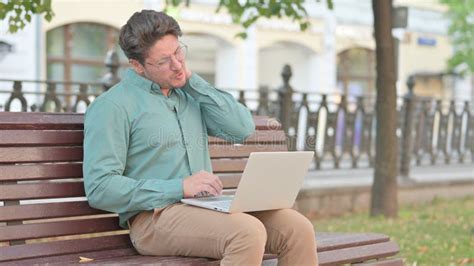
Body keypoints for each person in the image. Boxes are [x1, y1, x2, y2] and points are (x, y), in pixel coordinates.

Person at [83, 10, 318, 266]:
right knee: (247, 232)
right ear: (137, 65)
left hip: (208, 207)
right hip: (154, 219)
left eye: (178, 52)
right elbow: (100, 187)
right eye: (164, 61)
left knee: (297, 228)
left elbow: (241, 128)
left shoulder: (188, 95)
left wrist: (193, 82)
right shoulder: (113, 106)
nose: (177, 64)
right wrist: (179, 187)